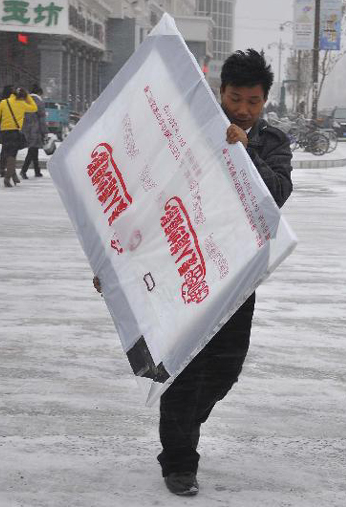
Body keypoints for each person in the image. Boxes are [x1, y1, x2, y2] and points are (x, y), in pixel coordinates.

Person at [95, 49, 292, 497]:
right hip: (179, 264)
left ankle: (181, 427)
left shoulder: (271, 142)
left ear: (265, 101)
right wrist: (111, 260)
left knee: (226, 368)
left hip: (237, 274)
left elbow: (277, 193)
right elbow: (144, 190)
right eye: (236, 98)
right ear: (221, 92)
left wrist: (246, 153)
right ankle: (180, 460)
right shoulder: (185, 127)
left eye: (253, 102)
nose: (243, 109)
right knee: (185, 365)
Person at [0, 87, 38, 187]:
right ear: (22, 96)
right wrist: (27, 95)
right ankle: (7, 178)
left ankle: (14, 175)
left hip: (4, 133)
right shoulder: (23, 104)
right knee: (12, 156)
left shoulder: (4, 102)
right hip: (15, 133)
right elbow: (34, 107)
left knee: (8, 155)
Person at [21, 84, 48, 178]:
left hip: (25, 128)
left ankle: (37, 171)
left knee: (34, 149)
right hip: (35, 129)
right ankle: (23, 170)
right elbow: (42, 119)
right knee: (32, 149)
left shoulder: (25, 100)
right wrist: (45, 132)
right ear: (39, 93)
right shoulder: (39, 103)